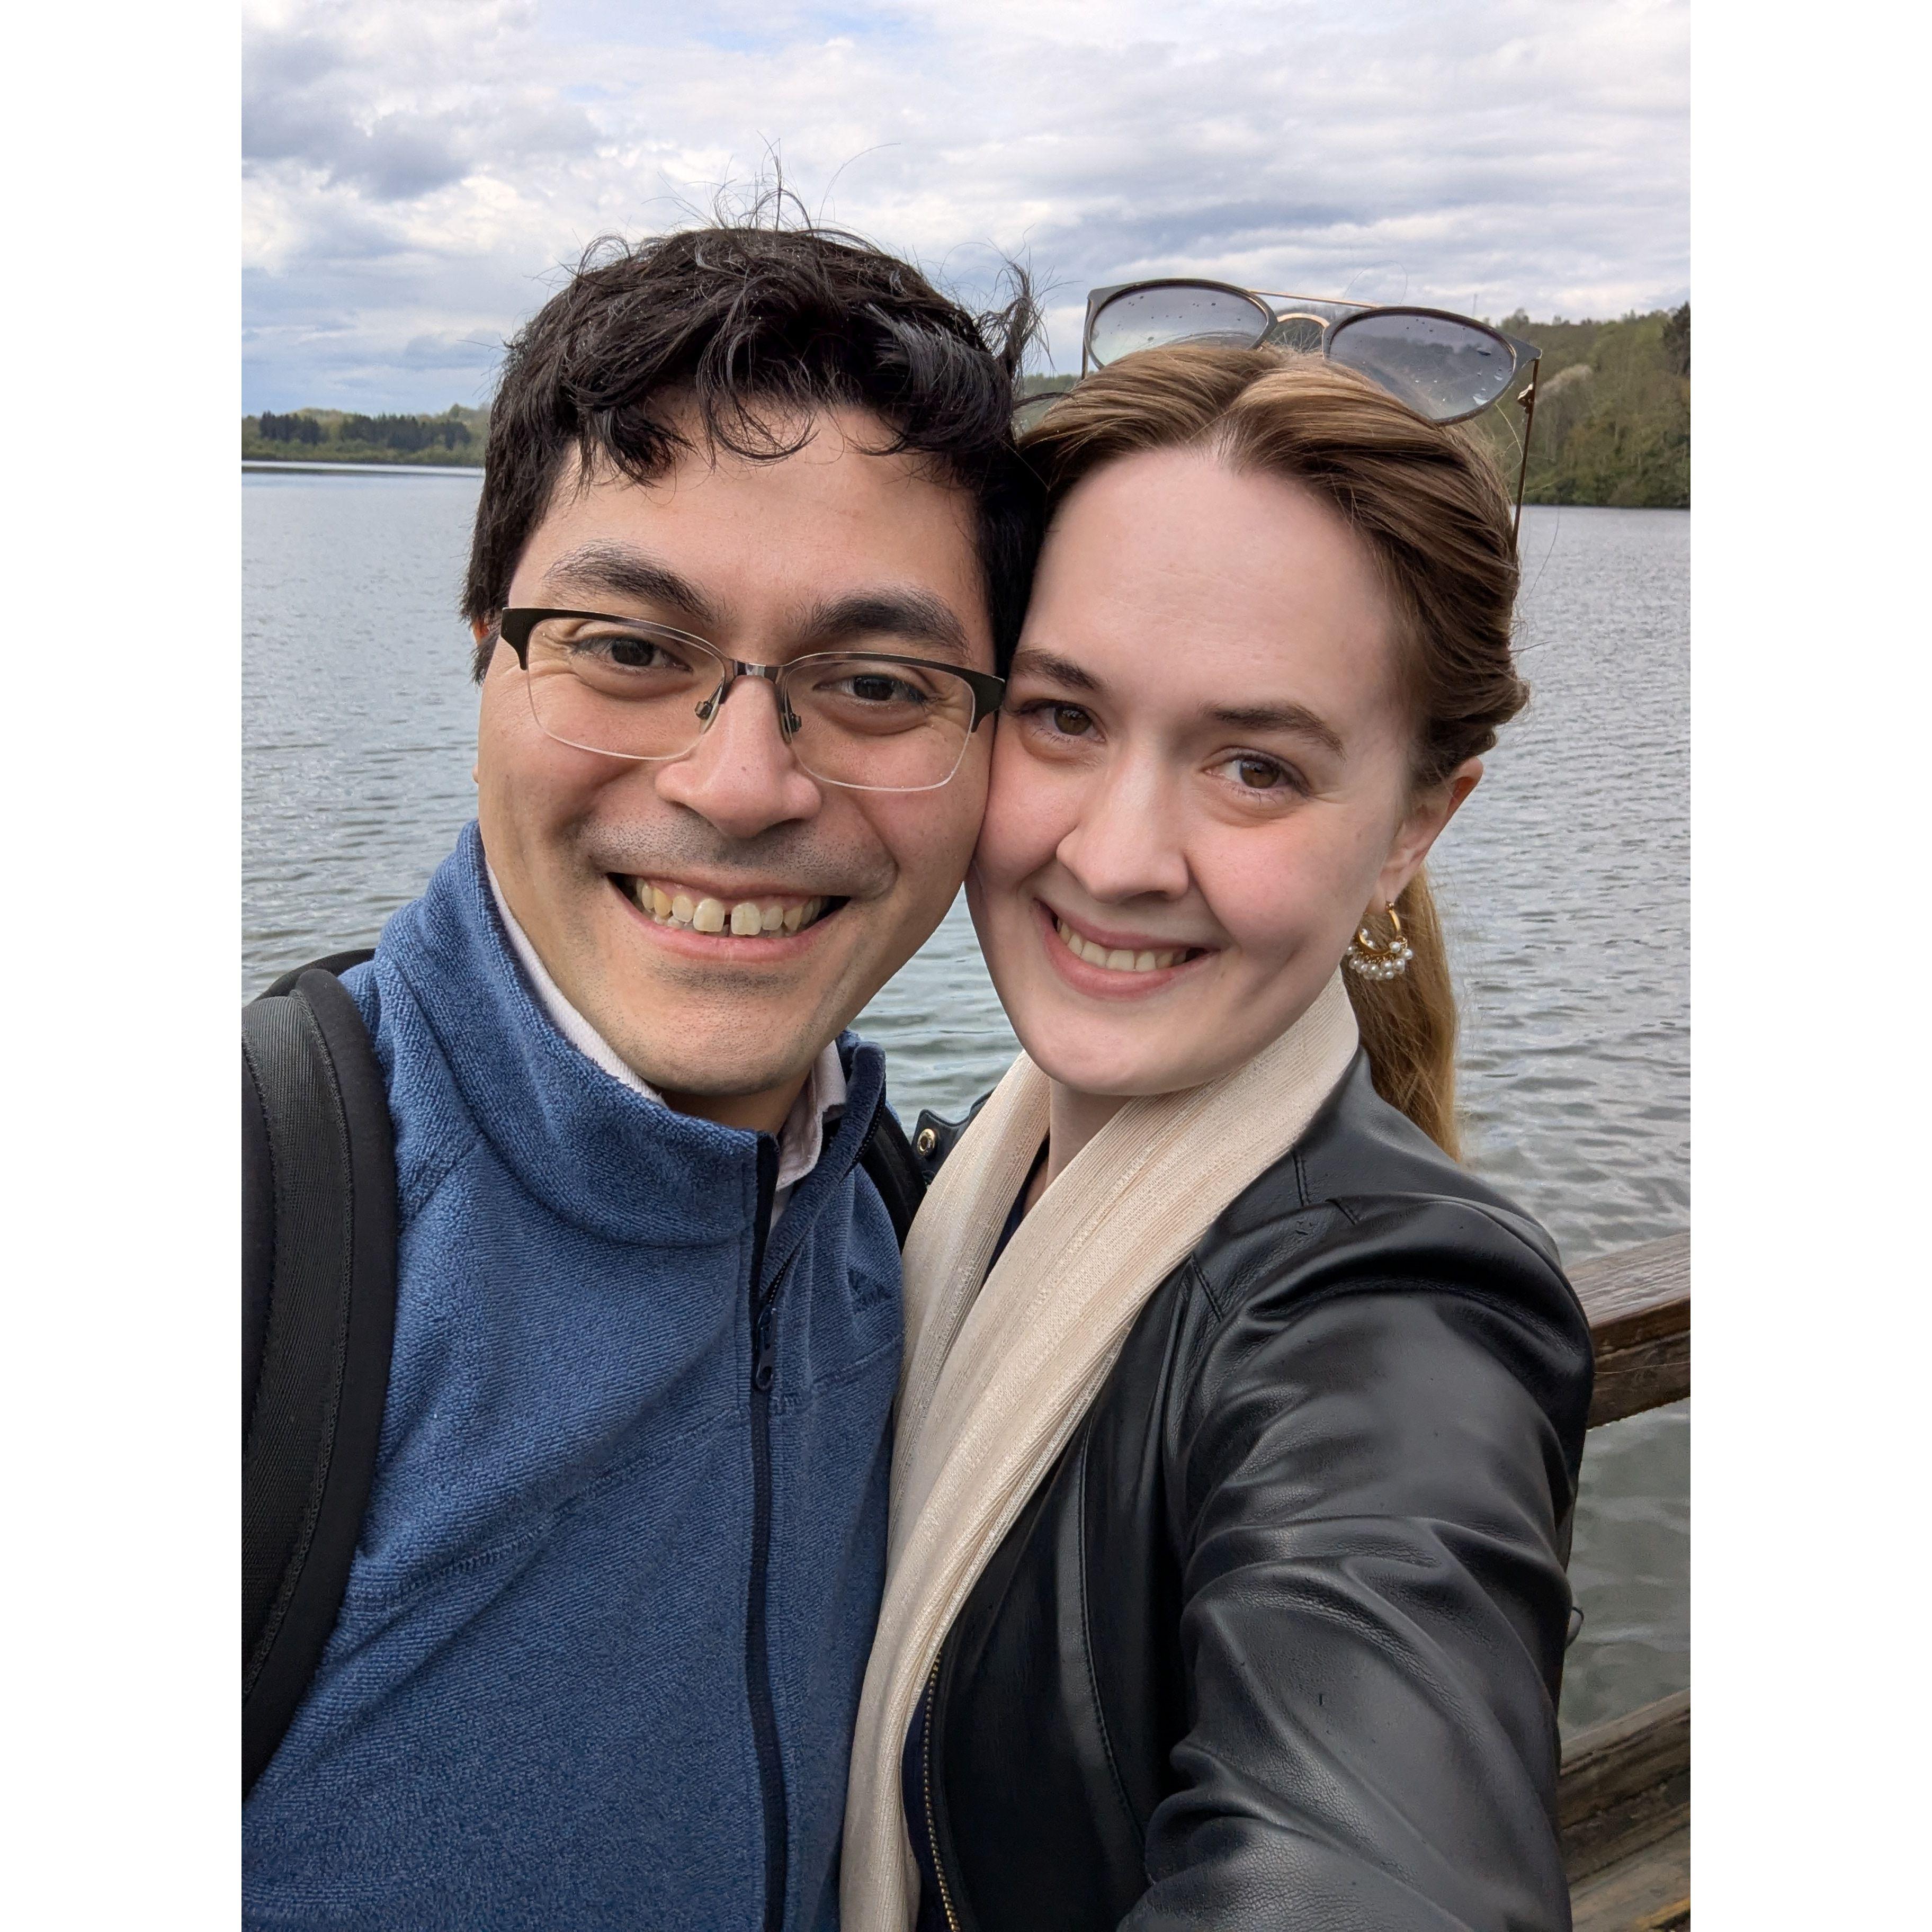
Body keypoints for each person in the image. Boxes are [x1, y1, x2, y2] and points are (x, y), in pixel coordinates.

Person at [242, 221, 1040, 1930]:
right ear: (486, 648)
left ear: (986, 739)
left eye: (880, 683)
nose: (741, 781)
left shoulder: (895, 1227)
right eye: (626, 648)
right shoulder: (244, 1229)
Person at [840, 345, 1595, 1930]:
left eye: (1257, 765)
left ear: (1413, 826)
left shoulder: (1399, 1317)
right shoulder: (995, 1172)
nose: (1115, 857)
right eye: (1061, 717)